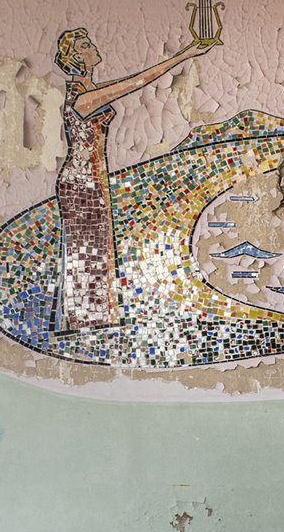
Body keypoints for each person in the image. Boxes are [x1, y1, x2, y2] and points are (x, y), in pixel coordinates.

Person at [52, 26, 214, 331]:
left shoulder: (89, 92)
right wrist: (183, 55)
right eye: (85, 44)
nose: (92, 47)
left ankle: (95, 317)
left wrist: (187, 54)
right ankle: (84, 319)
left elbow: (135, 82)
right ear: (76, 57)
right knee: (84, 252)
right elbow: (137, 82)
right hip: (80, 180)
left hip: (92, 180)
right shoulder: (81, 98)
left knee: (96, 250)